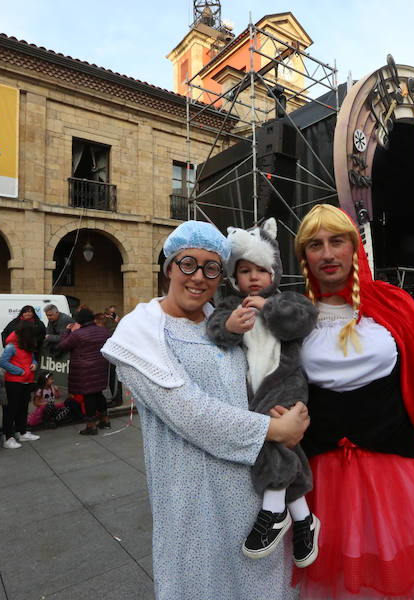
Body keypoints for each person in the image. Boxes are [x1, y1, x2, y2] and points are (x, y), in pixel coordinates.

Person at [102, 220, 310, 600]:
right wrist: (273, 430)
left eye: (211, 267)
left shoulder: (229, 324)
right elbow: (189, 412)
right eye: (188, 264)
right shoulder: (142, 334)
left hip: (256, 505)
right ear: (168, 267)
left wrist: (293, 411)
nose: (198, 277)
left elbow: (270, 374)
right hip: (192, 507)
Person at [292, 204, 414, 599]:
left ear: (355, 248)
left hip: (396, 471)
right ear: (305, 256)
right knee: (335, 579)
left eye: (337, 241)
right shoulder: (292, 317)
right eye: (315, 244)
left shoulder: (393, 304)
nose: (327, 253)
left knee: (405, 576)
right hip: (321, 477)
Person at [207, 218, 320, 567]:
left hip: (285, 385)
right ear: (233, 277)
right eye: (244, 270)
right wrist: (228, 326)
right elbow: (214, 331)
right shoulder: (230, 306)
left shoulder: (287, 299)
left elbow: (303, 319)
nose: (253, 277)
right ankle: (304, 519)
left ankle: (272, 511)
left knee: (271, 442)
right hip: (252, 393)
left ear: (274, 272)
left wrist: (268, 309)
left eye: (261, 269)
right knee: (286, 446)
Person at [57, 308, 110, 434]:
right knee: (98, 393)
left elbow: (63, 345)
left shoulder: (78, 334)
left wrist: (67, 330)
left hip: (84, 370)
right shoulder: (104, 331)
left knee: (89, 396)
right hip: (100, 367)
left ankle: (91, 426)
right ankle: (105, 420)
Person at [0, 320, 39, 448]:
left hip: (26, 381)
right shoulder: (11, 346)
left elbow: (32, 358)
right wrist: (20, 371)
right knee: (11, 409)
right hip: (15, 382)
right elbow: (3, 362)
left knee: (23, 407)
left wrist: (34, 364)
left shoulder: (27, 344)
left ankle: (21, 432)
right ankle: (7, 436)